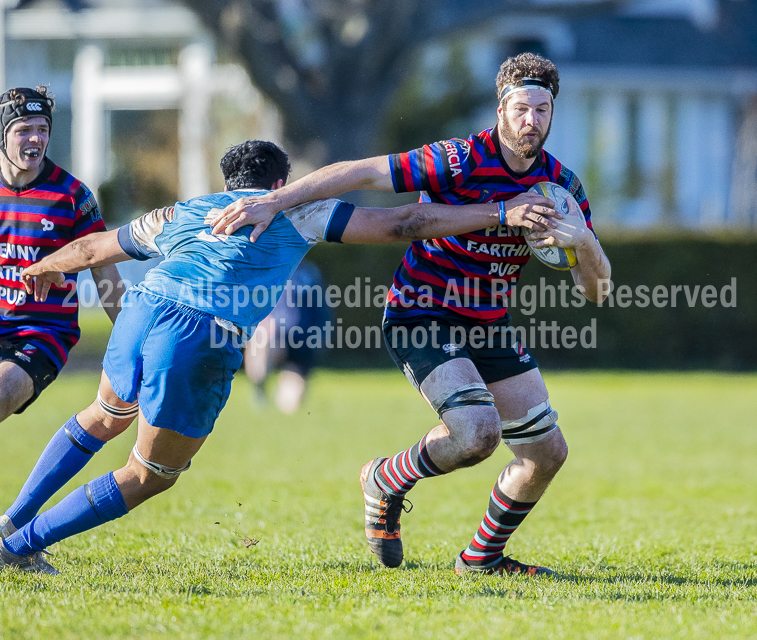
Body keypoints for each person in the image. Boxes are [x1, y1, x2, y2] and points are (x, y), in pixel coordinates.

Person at [0, 139, 557, 574]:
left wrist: (42, 267)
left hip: (144, 310)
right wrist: (501, 212)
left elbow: (94, 248)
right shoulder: (297, 210)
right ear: (281, 184)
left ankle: (12, 522)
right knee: (150, 474)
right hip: (199, 331)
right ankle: (19, 544)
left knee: (102, 417)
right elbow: (402, 223)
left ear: (228, 183)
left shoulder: (185, 211)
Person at [211, 54, 612, 576]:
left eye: (542, 109)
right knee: (477, 435)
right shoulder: (460, 159)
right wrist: (275, 201)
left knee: (547, 453)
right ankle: (384, 478)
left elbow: (597, 292)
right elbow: (362, 171)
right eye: (520, 108)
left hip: (488, 321)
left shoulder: (563, 188)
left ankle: (480, 559)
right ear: (501, 108)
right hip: (421, 310)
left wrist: (584, 243)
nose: (530, 120)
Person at [0, 86, 124, 423]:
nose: (36, 139)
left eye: (42, 129)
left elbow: (106, 274)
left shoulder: (71, 196)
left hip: (41, 334)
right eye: (24, 129)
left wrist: (134, 341)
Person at [244, 260, 330, 413]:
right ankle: (260, 386)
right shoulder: (270, 266)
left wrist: (323, 334)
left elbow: (322, 308)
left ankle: (283, 387)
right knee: (260, 338)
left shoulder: (310, 272)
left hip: (304, 340)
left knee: (290, 406)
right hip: (275, 335)